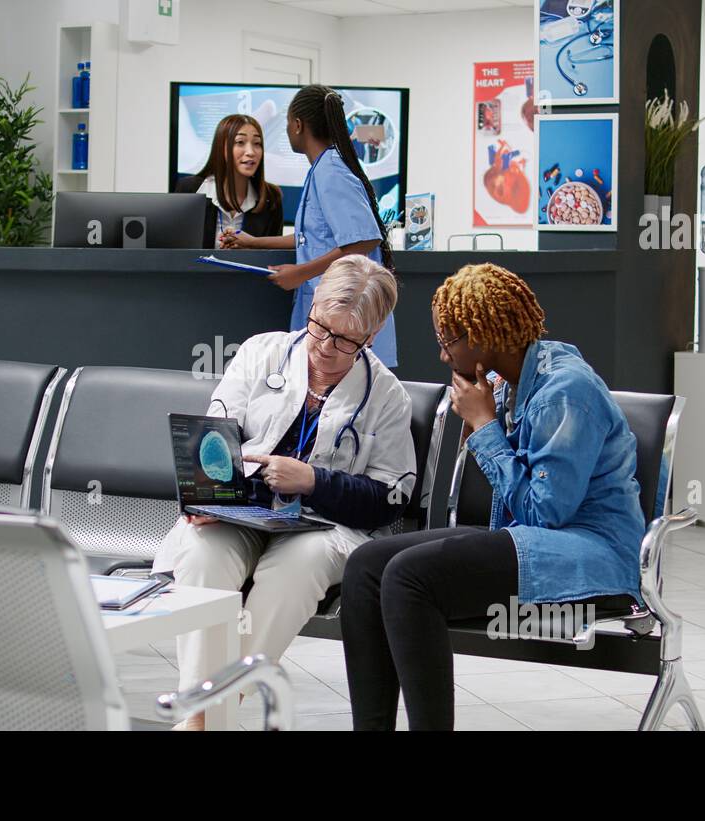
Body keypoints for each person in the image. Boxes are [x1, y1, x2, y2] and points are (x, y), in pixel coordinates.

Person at [340, 263, 646, 731]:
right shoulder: (517, 381)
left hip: (594, 553)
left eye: (448, 341)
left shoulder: (566, 391)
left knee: (409, 577)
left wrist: (485, 427)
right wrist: (489, 418)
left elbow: (546, 514)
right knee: (366, 566)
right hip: (537, 540)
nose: (443, 355)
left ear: (481, 336)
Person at [152, 255, 415, 730]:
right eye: (319, 327)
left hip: (323, 529)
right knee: (200, 554)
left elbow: (388, 499)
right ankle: (206, 720)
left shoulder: (388, 397)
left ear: (371, 338)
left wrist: (313, 481)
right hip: (240, 513)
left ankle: (200, 719)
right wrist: (206, 497)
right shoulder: (262, 353)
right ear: (311, 307)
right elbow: (214, 434)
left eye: (345, 340)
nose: (325, 347)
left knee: (295, 571)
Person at [221, 84, 399, 367]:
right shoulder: (322, 168)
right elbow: (311, 238)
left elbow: (363, 241)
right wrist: (252, 241)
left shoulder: (330, 170)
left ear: (297, 125)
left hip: (345, 321)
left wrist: (300, 274)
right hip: (335, 319)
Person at [174, 114, 283, 248]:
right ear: (222, 147)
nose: (251, 152)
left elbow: (274, 257)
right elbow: (176, 250)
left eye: (257, 144)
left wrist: (249, 252)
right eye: (240, 142)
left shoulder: (271, 197)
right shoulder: (190, 189)